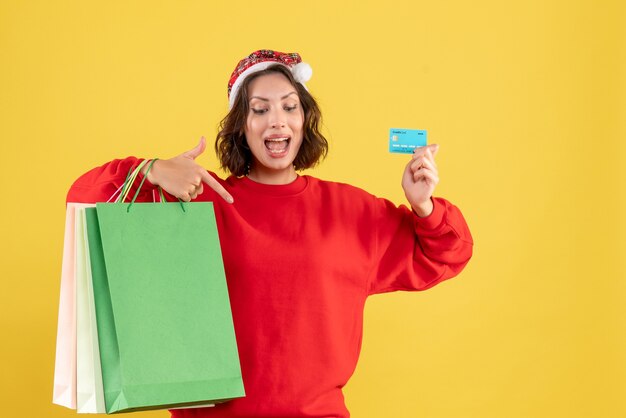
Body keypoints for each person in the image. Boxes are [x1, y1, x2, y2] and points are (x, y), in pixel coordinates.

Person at [67, 49, 473, 418]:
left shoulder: (352, 212)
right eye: (259, 110)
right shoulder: (199, 200)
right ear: (241, 126)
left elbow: (446, 254)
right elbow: (83, 198)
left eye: (289, 107)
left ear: (304, 119)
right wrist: (152, 169)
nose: (276, 120)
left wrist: (424, 207)